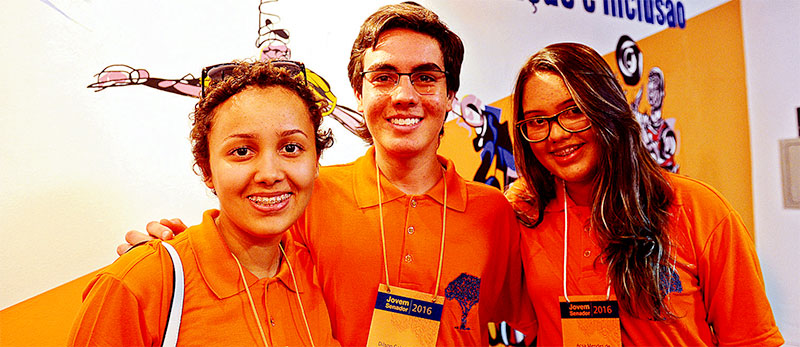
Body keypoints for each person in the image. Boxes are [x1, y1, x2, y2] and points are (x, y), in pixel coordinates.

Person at [122, 2, 533, 346]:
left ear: (450, 97)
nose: (404, 96)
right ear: (358, 93)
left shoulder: (494, 214)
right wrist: (166, 260)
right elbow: (239, 261)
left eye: (426, 78)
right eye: (384, 77)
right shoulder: (304, 195)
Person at [506, 42, 783, 346]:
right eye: (536, 121)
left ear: (607, 108)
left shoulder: (697, 208)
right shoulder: (525, 216)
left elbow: (752, 339)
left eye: (573, 111)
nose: (556, 134)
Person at [70, 61, 339, 346]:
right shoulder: (137, 284)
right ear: (206, 169)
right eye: (242, 151)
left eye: (291, 148)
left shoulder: (310, 271)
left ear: (316, 161)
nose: (270, 174)